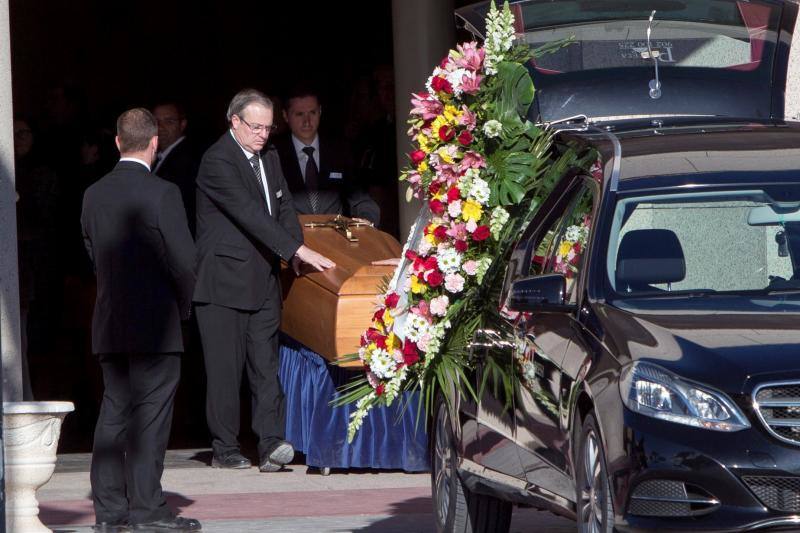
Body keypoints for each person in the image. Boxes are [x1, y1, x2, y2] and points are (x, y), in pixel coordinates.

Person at [194, 88, 335, 473]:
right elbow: (249, 214)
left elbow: (284, 206)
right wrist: (296, 251)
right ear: (234, 121)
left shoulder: (269, 157)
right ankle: (225, 447)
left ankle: (271, 442)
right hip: (223, 284)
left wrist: (295, 252)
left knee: (265, 366)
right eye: (255, 127)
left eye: (268, 128)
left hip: (263, 280)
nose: (262, 134)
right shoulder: (216, 161)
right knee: (226, 369)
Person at [81, 108, 199, 532]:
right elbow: (185, 262)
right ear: (154, 143)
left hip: (110, 319)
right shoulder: (164, 193)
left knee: (114, 411)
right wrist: (182, 304)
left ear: (117, 142)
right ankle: (148, 509)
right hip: (157, 322)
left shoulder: (93, 193)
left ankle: (110, 512)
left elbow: (92, 251)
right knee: (150, 415)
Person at [274, 87, 380, 225]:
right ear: (285, 116)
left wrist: (367, 219)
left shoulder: (339, 150)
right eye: (299, 114)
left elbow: (359, 197)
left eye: (312, 112)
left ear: (320, 112)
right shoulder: (273, 154)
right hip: (291, 238)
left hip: (335, 237)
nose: (307, 121)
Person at [152, 102, 200, 236]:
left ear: (182, 124)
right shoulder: (156, 157)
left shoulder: (188, 160)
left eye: (169, 121)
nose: (160, 128)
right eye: (156, 122)